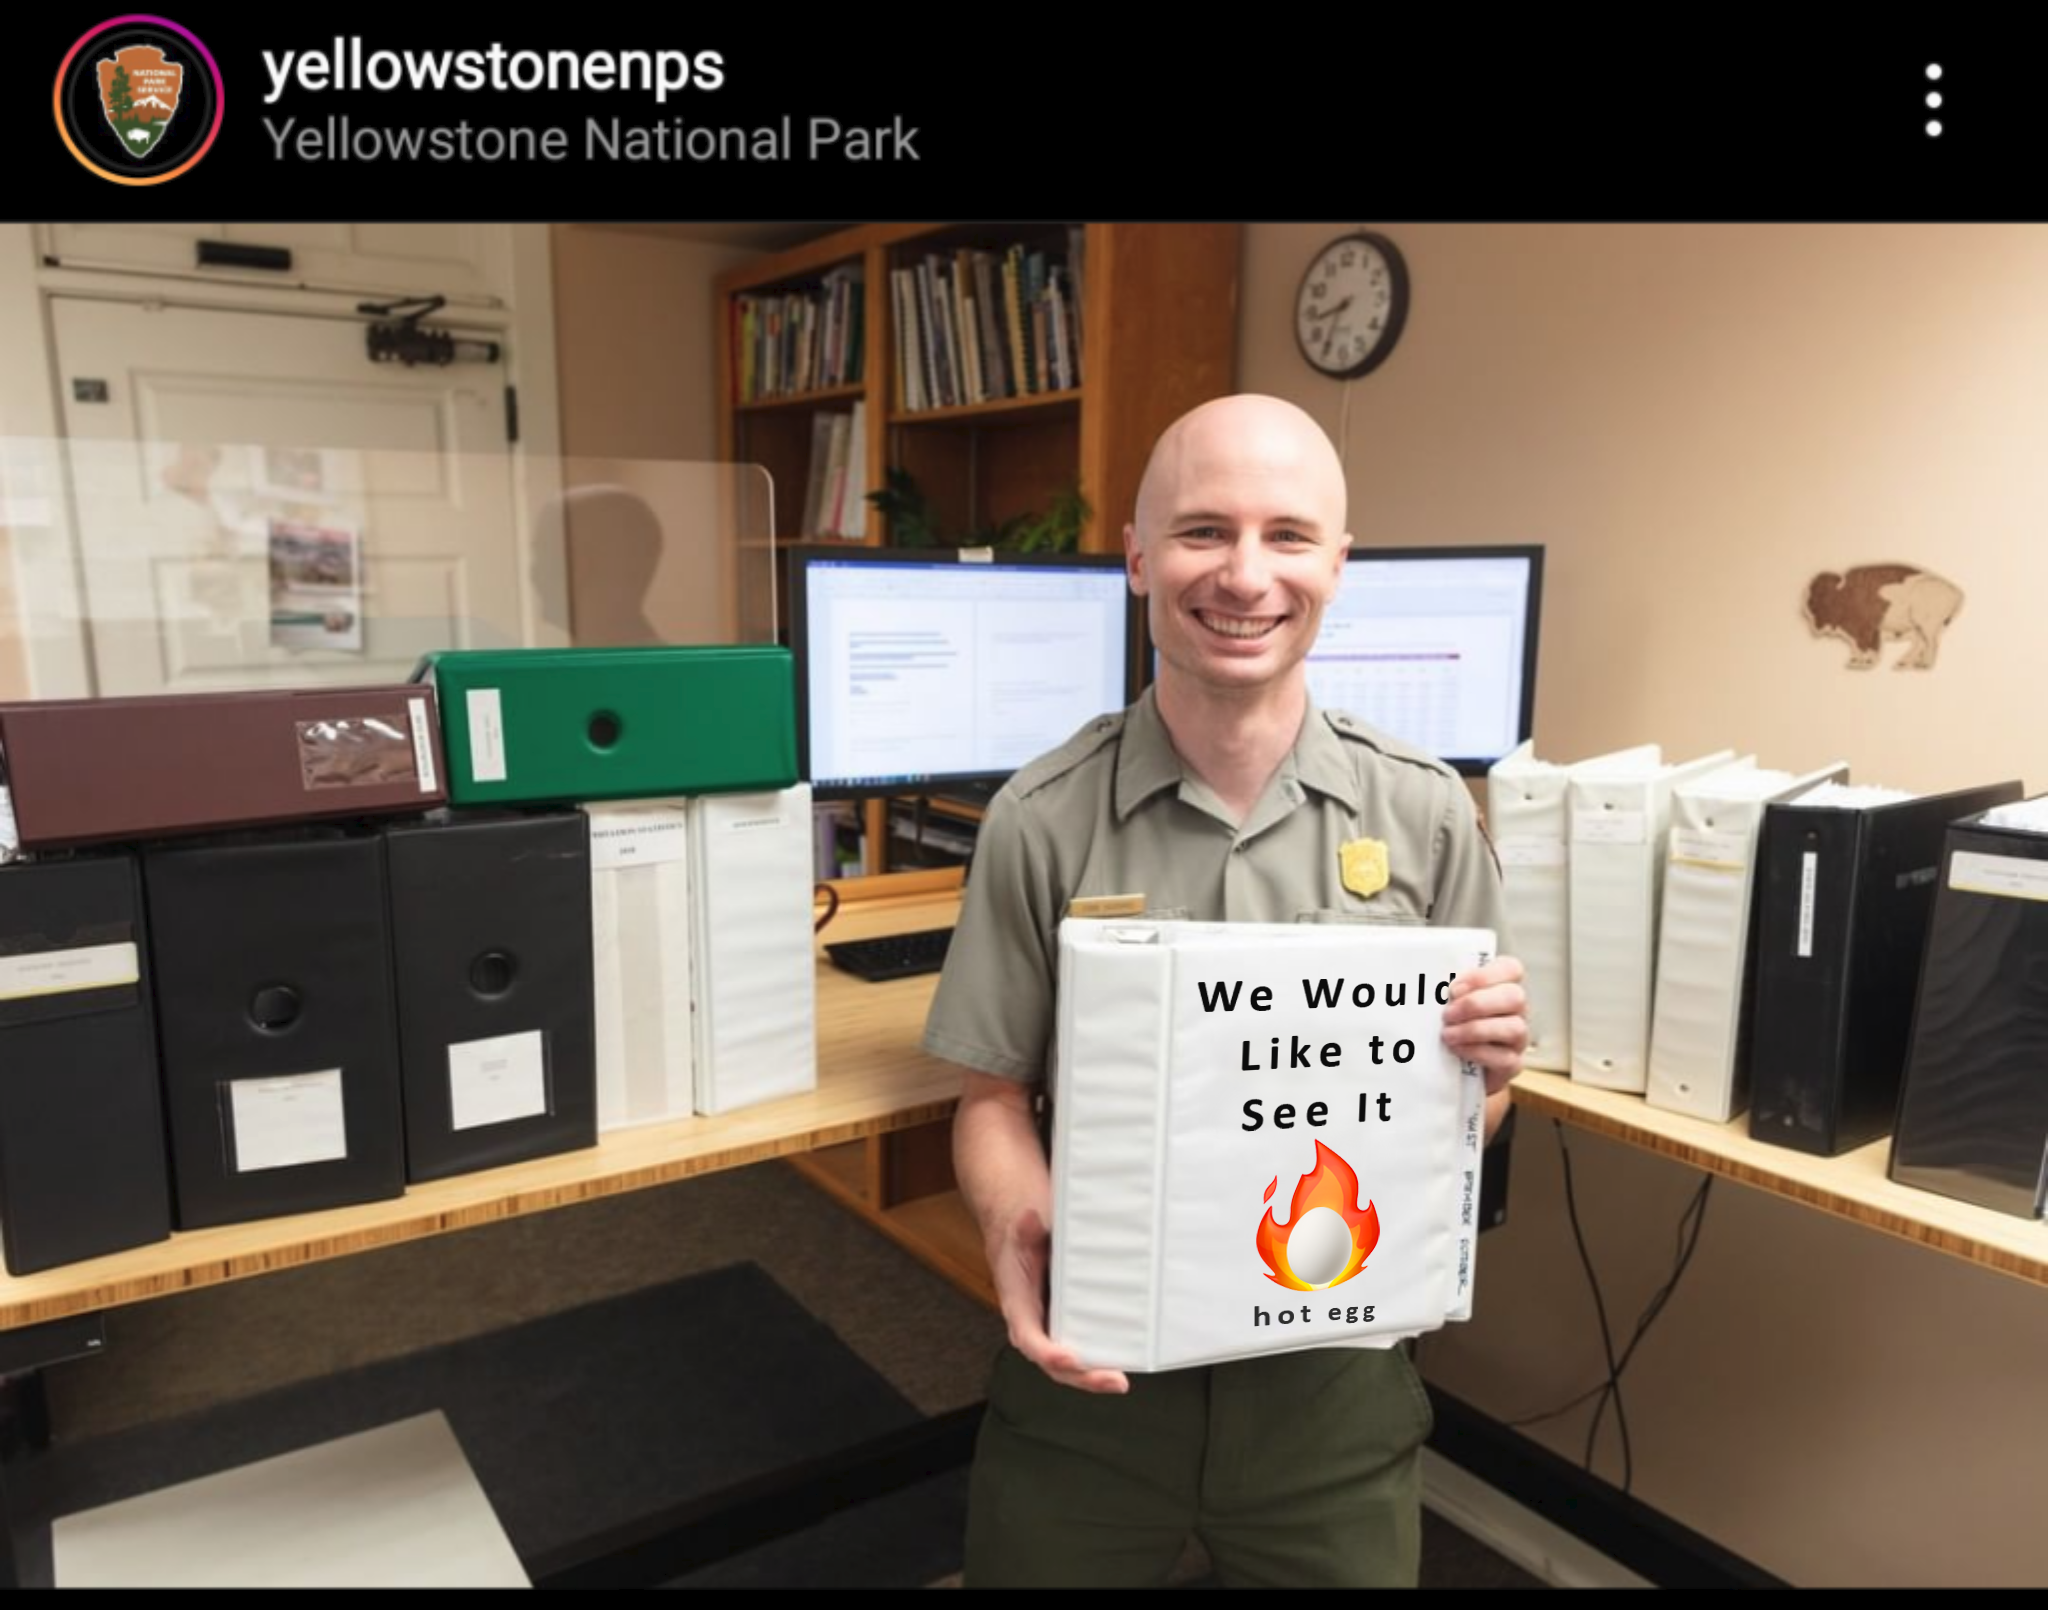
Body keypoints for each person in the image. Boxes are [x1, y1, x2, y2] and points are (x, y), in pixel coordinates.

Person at [921, 393, 1527, 1588]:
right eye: (1202, 532)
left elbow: (1463, 1111)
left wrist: (1482, 1080)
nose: (1246, 575)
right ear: (1139, 560)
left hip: (1331, 1389)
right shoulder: (1040, 818)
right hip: (1094, 1379)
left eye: (1288, 535)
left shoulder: (1422, 812)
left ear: (1338, 566)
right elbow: (989, 1093)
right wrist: (1011, 1222)